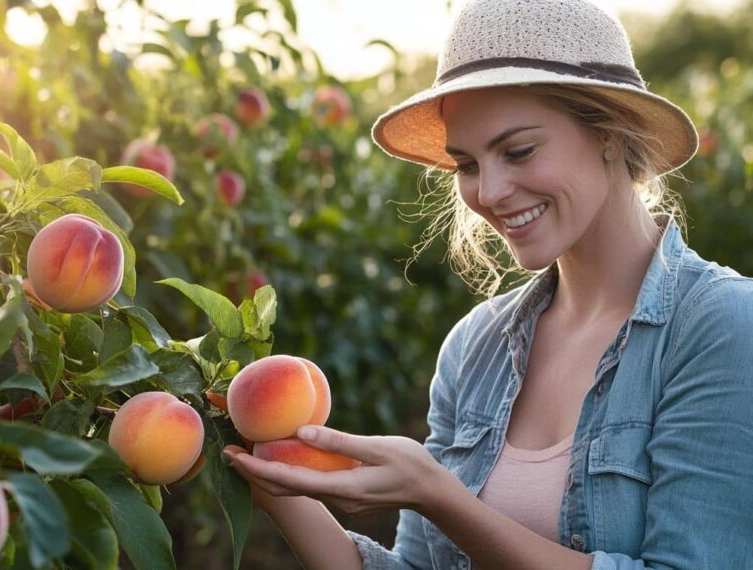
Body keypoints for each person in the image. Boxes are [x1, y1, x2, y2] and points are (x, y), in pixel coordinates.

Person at [223, 0, 753, 568]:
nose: (490, 192)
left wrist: (439, 496)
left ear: (609, 134)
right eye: (467, 165)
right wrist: (272, 480)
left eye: (518, 151)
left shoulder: (721, 326)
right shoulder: (476, 346)